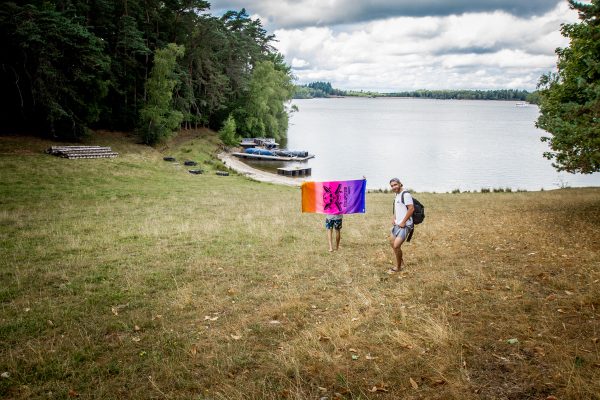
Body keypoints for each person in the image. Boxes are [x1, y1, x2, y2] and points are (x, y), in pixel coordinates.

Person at [388, 178, 414, 273]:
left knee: (396, 246)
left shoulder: (406, 194)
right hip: (397, 224)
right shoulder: (397, 194)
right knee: (392, 242)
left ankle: (398, 267)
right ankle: (401, 262)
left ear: (400, 184)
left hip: (405, 225)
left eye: (395, 185)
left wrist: (403, 222)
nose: (394, 187)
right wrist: (394, 217)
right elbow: (398, 207)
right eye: (392, 186)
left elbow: (411, 209)